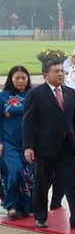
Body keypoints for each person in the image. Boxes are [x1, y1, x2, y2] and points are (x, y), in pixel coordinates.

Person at [21, 61, 75, 228]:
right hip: (44, 147)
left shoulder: (72, 93)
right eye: (56, 71)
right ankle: (40, 216)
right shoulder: (35, 94)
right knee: (42, 183)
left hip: (67, 146)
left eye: (62, 71)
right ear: (46, 75)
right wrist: (28, 146)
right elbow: (28, 122)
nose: (61, 74)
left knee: (71, 183)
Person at [1, 66, 35, 219]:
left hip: (29, 143)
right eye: (17, 78)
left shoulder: (34, 95)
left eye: (24, 78)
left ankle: (28, 205)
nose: (21, 81)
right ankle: (12, 205)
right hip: (8, 142)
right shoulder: (3, 97)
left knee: (30, 174)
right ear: (11, 79)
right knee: (14, 171)